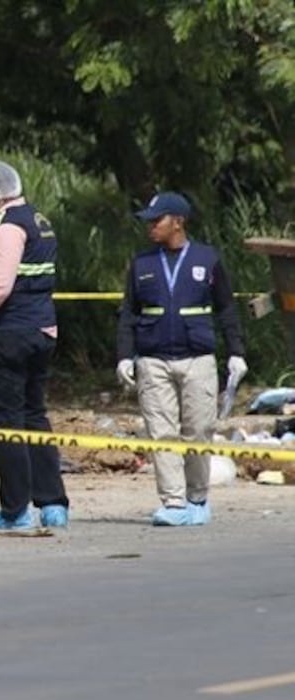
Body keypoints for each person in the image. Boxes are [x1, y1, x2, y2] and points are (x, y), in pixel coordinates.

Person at [115, 191, 247, 527]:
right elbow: (129, 313)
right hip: (153, 360)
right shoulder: (142, 264)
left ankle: (197, 498)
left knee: (199, 430)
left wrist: (236, 353)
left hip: (198, 359)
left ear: (179, 221)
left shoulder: (207, 259)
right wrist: (124, 357)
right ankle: (173, 503)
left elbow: (227, 309)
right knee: (161, 433)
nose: (150, 226)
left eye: (156, 220)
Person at [0, 160, 70, 530]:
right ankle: (53, 504)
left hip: (8, 335)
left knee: (8, 421)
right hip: (41, 331)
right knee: (34, 416)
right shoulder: (39, 221)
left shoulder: (6, 229)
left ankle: (16, 509)